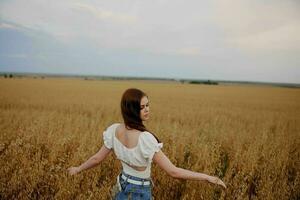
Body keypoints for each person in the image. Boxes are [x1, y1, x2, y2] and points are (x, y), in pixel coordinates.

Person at [68, 88, 226, 199]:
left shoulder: (114, 130)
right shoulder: (145, 139)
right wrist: (207, 178)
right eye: (141, 107)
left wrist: (77, 169)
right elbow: (174, 172)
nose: (147, 110)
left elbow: (97, 158)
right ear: (131, 109)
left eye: (147, 105)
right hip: (139, 192)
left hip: (121, 186)